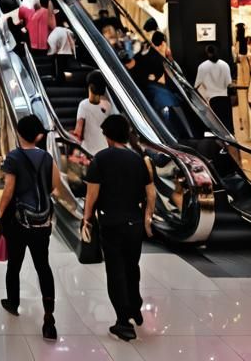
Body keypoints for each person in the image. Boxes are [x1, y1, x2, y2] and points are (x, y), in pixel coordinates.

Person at [83, 114, 155, 342]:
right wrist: (147, 218)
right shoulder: (138, 160)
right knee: (132, 267)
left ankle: (123, 322)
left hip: (111, 223)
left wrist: (86, 219)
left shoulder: (101, 159)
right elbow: (151, 193)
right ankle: (135, 307)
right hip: (134, 223)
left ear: (108, 136)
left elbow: (92, 194)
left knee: (115, 271)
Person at [0, 115, 59, 337]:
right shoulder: (47, 157)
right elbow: (55, 185)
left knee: (14, 264)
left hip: (19, 222)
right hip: (42, 222)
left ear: (19, 133)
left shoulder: (14, 157)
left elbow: (9, 190)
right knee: (43, 267)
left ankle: (13, 302)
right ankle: (49, 316)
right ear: (38, 136)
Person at [194, 44, 234, 131]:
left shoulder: (202, 66)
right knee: (227, 129)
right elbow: (229, 84)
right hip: (225, 99)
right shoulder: (225, 65)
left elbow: (196, 85)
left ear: (207, 53)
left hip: (211, 101)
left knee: (215, 129)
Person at [74, 76, 111, 156]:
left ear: (90, 87)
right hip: (105, 149)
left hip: (88, 151)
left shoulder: (84, 105)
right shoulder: (108, 105)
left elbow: (78, 132)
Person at [46, 13, 75, 79]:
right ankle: (65, 78)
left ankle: (58, 77)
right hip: (66, 51)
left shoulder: (54, 30)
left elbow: (50, 40)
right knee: (64, 66)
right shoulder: (67, 30)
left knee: (58, 65)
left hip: (58, 52)